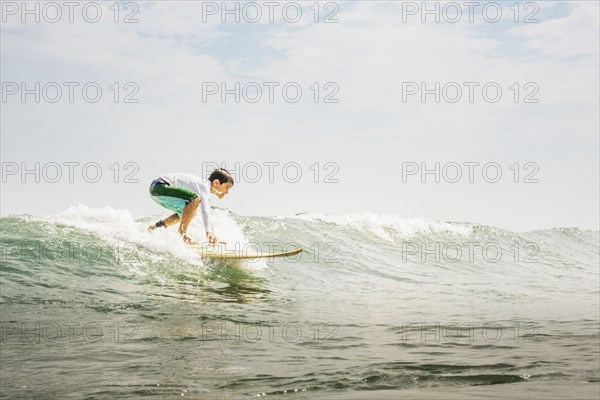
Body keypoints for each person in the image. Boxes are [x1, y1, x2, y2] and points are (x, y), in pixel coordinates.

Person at [147, 168, 234, 245]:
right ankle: (182, 234)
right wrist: (209, 232)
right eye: (227, 187)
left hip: (156, 191)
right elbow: (206, 211)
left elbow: (205, 213)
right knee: (195, 199)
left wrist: (212, 234)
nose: (227, 192)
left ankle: (154, 228)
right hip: (160, 187)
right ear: (216, 183)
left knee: (188, 212)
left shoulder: (201, 187)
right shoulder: (205, 187)